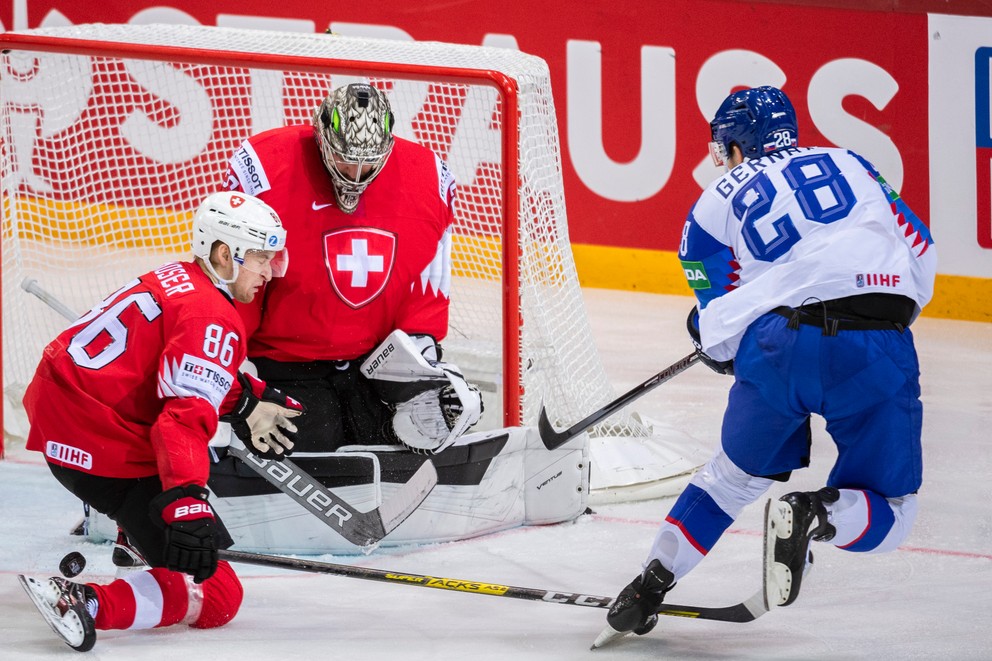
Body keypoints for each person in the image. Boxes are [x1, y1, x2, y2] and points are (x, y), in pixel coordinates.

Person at [604, 86, 937, 637]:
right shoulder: (853, 162)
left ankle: (649, 584)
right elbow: (920, 250)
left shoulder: (708, 209)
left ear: (737, 147)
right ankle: (817, 514)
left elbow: (719, 330)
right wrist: (883, 312)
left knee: (730, 480)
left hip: (778, 345)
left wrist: (725, 345)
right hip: (877, 342)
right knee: (895, 512)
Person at [17, 191, 304, 652]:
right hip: (97, 440)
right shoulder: (213, 314)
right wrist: (186, 503)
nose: (269, 272)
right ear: (224, 253)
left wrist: (244, 401)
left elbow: (162, 368)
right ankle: (83, 602)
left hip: (64, 409)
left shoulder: (178, 277)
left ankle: (135, 536)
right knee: (217, 594)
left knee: (179, 473)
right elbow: (180, 422)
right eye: (260, 258)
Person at [224, 82, 481, 456]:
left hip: (373, 368)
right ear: (322, 137)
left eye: (368, 163)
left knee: (404, 449)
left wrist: (423, 367)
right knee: (311, 462)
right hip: (287, 367)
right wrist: (235, 384)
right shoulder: (264, 168)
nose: (356, 173)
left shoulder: (430, 178)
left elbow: (426, 285)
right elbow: (238, 280)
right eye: (345, 159)